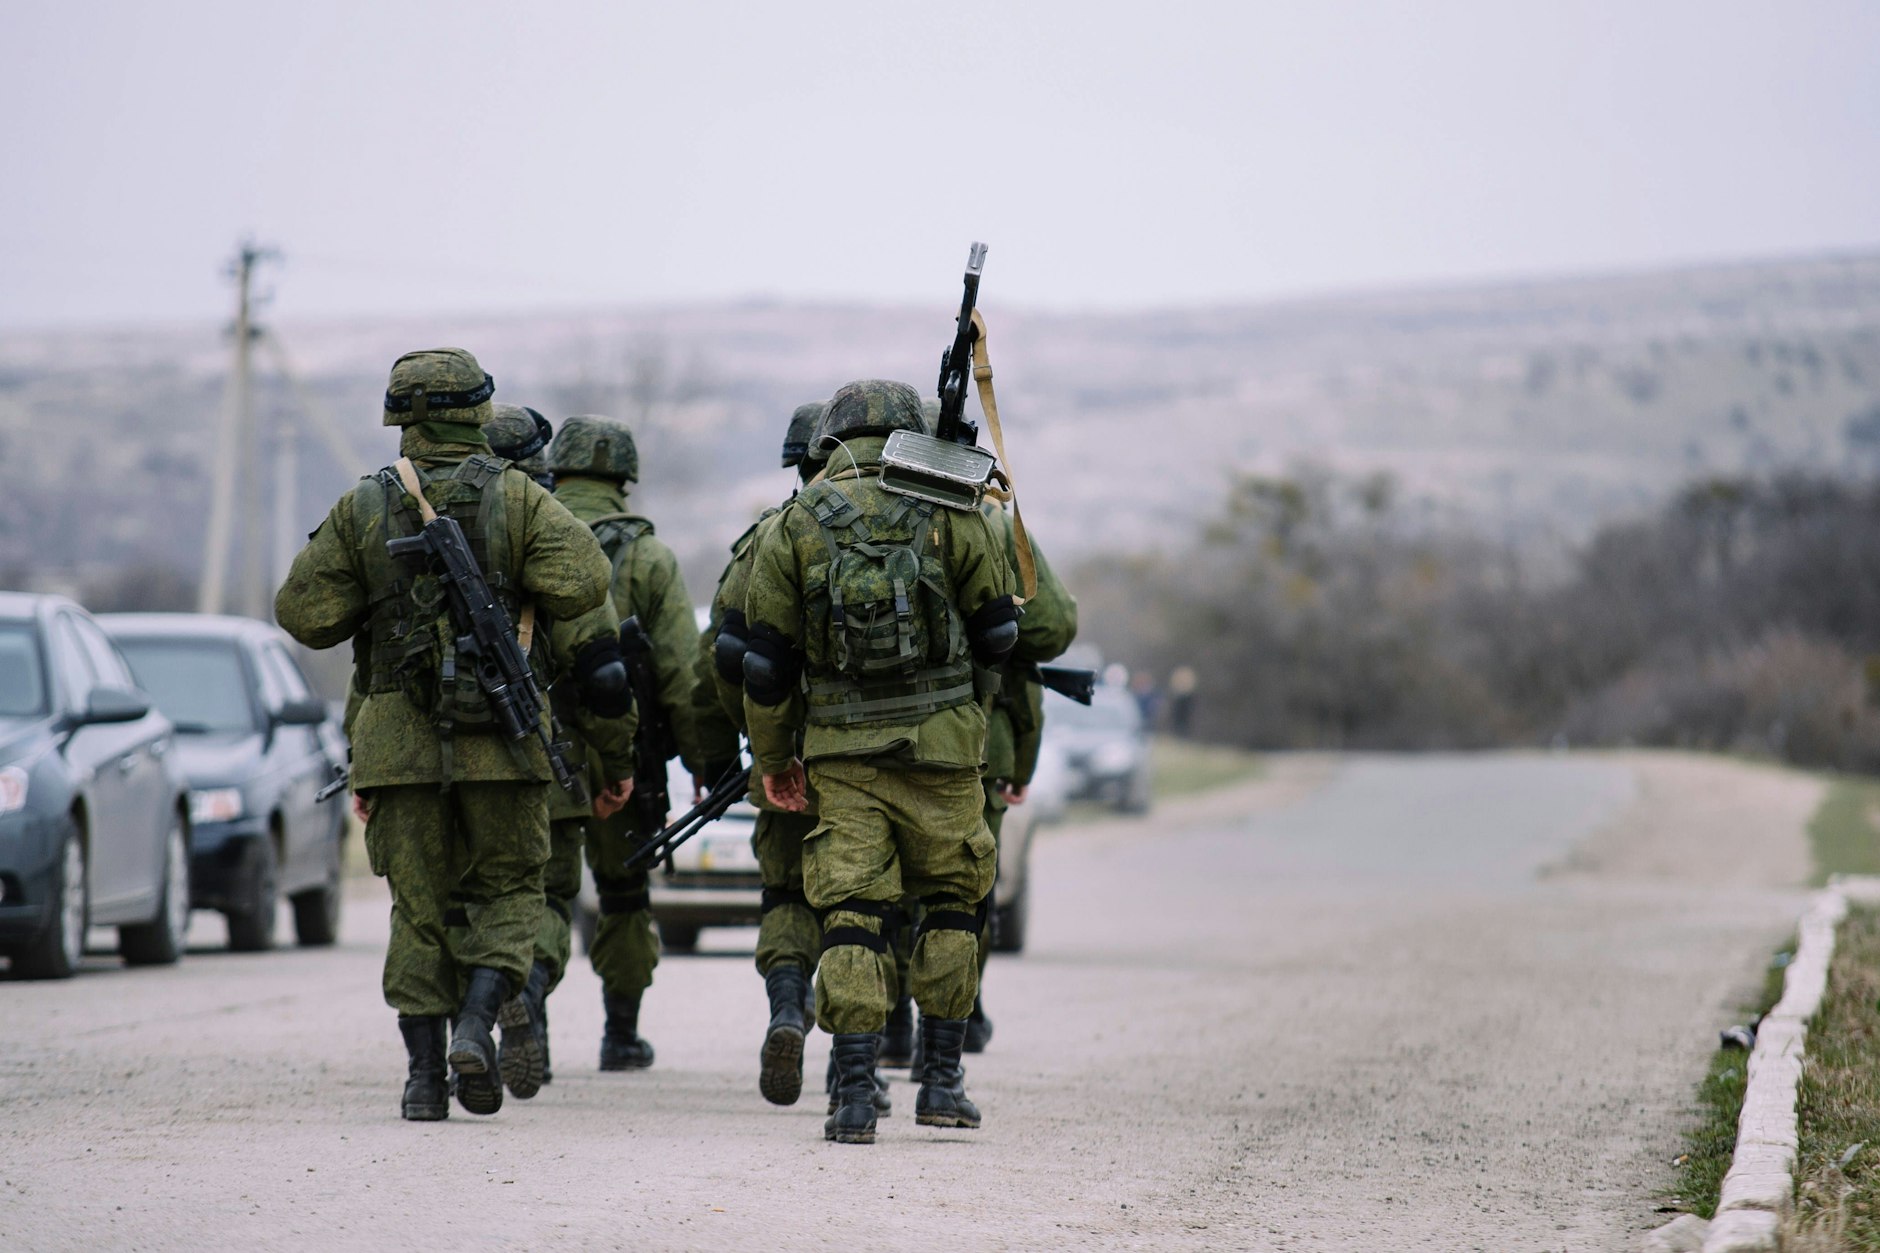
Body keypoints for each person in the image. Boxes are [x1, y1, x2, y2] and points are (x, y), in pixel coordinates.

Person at [274, 348, 612, 1120]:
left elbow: (303, 612)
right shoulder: (520, 497)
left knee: (418, 909)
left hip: (396, 740)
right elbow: (586, 579)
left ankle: (425, 1080)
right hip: (503, 734)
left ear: (400, 417)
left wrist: (381, 598)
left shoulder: (367, 503)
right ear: (479, 414)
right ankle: (474, 1024)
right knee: (510, 888)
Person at [743, 378, 1018, 1144]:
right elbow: (999, 634)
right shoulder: (952, 506)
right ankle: (940, 1081)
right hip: (943, 751)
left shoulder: (792, 523)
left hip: (841, 755)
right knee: (952, 906)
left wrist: (775, 758)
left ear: (830, 440)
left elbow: (764, 667)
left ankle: (856, 1095)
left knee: (854, 915)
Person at [546, 414, 729, 1071]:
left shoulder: (520, 535)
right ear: (623, 479)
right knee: (623, 896)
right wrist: (709, 761)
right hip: (623, 750)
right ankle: (620, 1033)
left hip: (531, 748)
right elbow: (685, 673)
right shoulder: (648, 557)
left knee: (536, 892)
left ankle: (523, 1027)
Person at [482, 404, 636, 1098]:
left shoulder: (417, 521)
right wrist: (620, 764)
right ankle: (529, 990)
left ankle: (436, 1057)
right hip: (547, 755)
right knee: (543, 895)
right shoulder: (552, 535)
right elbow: (605, 674)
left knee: (453, 901)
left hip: (433, 762)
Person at [691, 402, 832, 1107]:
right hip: (896, 758)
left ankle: (786, 1007)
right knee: (877, 904)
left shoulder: (768, 540)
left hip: (792, 765)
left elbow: (719, 658)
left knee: (787, 893)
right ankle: (866, 1059)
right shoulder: (929, 522)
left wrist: (749, 754)